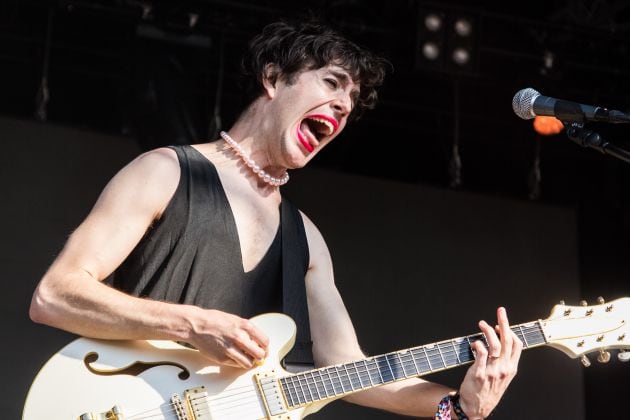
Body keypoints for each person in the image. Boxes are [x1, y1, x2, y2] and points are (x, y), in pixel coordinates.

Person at [29, 21, 521, 419]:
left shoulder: (306, 238)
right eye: (331, 83)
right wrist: (191, 324)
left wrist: (457, 407)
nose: (343, 106)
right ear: (272, 79)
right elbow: (55, 295)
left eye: (350, 105)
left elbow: (347, 367)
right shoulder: (166, 171)